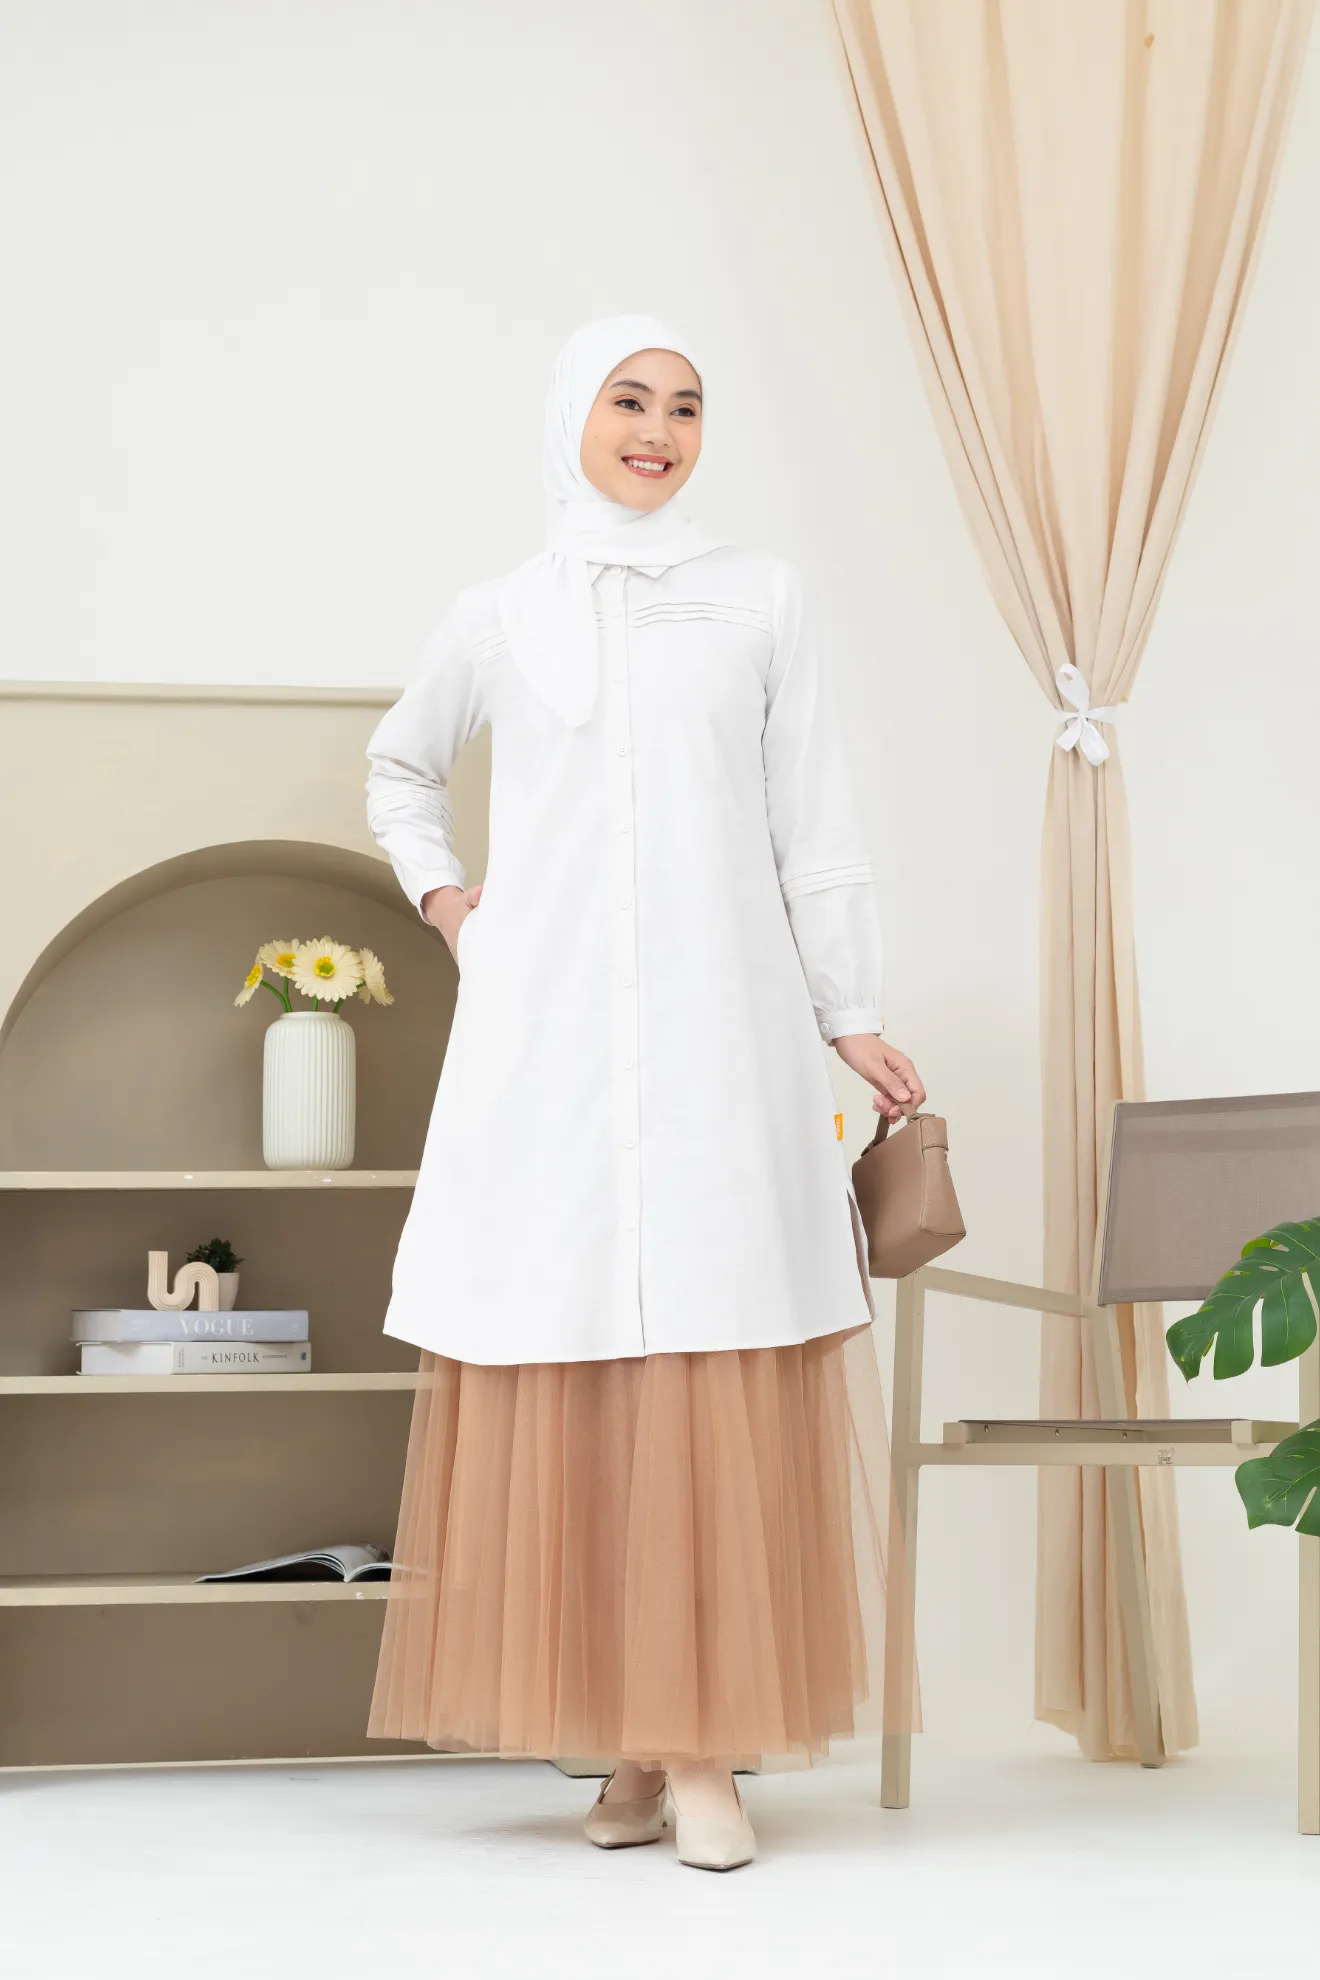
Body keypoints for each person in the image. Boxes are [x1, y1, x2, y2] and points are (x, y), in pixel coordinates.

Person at [363, 313, 923, 1871]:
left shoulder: (760, 598)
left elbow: (813, 816)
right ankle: (640, 1747)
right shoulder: (501, 613)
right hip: (548, 1043)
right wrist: (455, 910)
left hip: (719, 1033)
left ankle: (692, 1753)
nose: (659, 432)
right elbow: (400, 769)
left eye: (685, 407)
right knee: (582, 1375)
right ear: (575, 416)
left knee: (707, 1365)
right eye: (630, 401)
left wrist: (851, 1013)